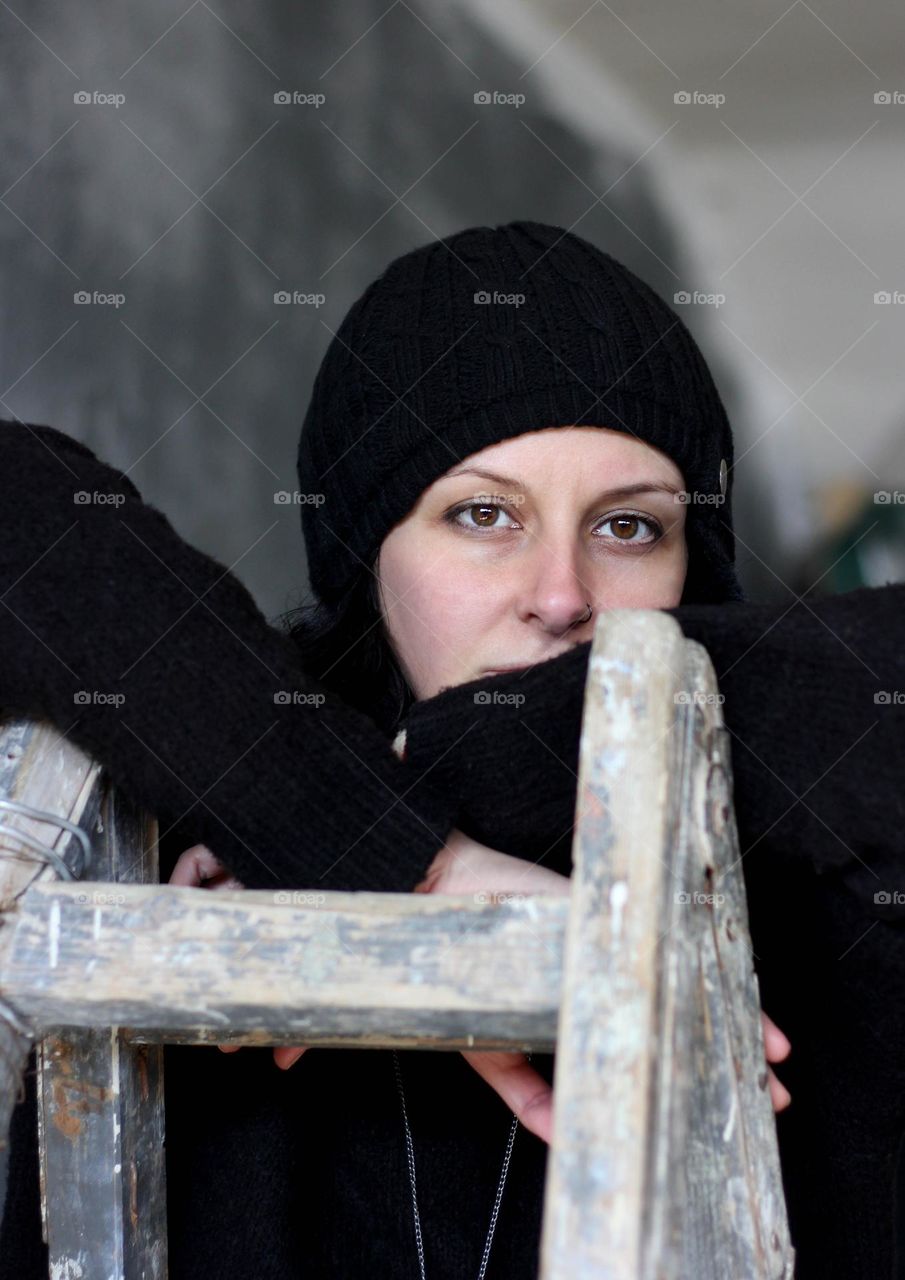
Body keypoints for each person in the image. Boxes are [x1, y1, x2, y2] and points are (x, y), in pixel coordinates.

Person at [0, 221, 902, 1279]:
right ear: (366, 559)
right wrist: (373, 835)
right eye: (481, 513)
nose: (561, 596)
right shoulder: (203, 808)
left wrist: (421, 792)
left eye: (627, 527)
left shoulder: (816, 875)